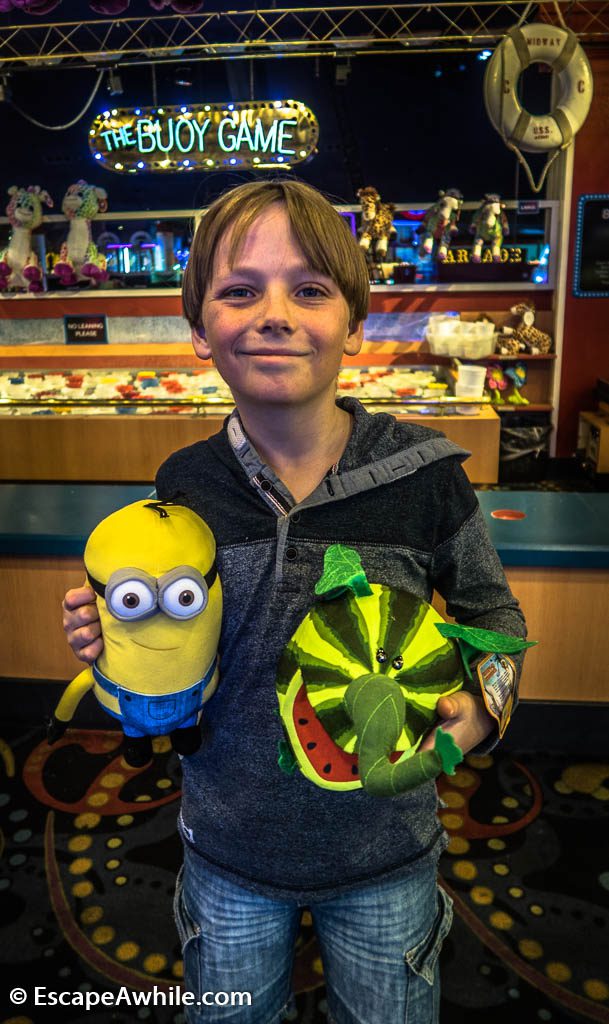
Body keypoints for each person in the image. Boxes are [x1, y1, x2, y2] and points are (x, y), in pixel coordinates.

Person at [62, 179, 527, 1024]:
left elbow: (494, 619)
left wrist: (479, 714)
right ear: (199, 331)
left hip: (387, 852)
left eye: (309, 289)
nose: (273, 312)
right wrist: (115, 647)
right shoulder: (184, 487)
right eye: (240, 291)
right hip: (226, 852)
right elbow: (172, 667)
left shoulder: (424, 474)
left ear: (354, 322)